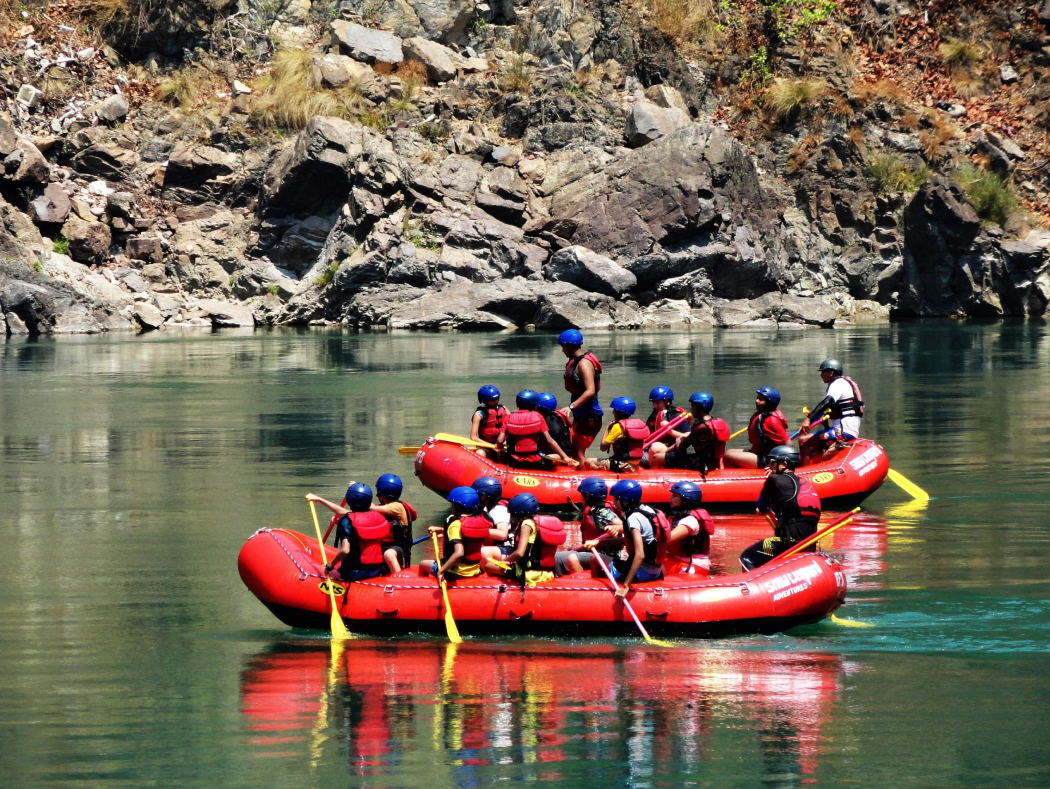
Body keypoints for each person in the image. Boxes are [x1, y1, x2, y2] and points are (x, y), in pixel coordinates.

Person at [739, 445, 821, 571]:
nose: (769, 466)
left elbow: (761, 506)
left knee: (747, 557)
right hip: (809, 545)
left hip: (787, 543)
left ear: (783, 464)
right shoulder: (805, 482)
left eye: (772, 462)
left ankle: (752, 586)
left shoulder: (774, 479)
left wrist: (764, 507)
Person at [585, 479, 667, 596]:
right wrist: (599, 542)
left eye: (616, 499)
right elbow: (629, 540)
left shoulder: (633, 518)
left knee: (595, 558)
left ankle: (596, 594)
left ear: (625, 501)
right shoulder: (649, 510)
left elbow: (640, 554)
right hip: (656, 570)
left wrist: (626, 586)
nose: (614, 503)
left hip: (642, 573)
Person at [308, 483, 401, 580]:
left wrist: (330, 566)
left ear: (349, 500)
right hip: (376, 570)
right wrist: (319, 499)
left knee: (339, 567)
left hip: (354, 573)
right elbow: (343, 512)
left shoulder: (347, 521)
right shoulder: (377, 516)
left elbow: (345, 550)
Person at [483, 493, 567, 586]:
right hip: (545, 573)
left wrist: (503, 562)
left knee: (488, 566)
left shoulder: (526, 524)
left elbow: (519, 553)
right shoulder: (537, 523)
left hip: (526, 574)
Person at [799, 358, 864, 465]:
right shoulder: (845, 383)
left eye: (823, 372)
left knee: (803, 441)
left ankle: (801, 474)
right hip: (849, 431)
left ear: (831, 373)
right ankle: (813, 464)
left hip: (843, 432)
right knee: (812, 445)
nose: (821, 375)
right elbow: (831, 409)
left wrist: (808, 419)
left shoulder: (837, 383)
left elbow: (827, 402)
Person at [554, 477, 623, 575]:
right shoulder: (594, 510)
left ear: (586, 496)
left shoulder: (603, 512)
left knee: (557, 558)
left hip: (601, 555)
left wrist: (616, 528)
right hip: (593, 552)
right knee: (568, 553)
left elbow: (625, 526)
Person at [557, 329, 604, 468]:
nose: (563, 351)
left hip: (590, 416)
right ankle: (580, 474)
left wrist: (570, 407)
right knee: (574, 450)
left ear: (570, 346)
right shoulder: (577, 362)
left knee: (577, 452)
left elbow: (590, 391)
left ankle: (583, 479)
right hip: (583, 415)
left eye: (563, 347)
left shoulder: (584, 364)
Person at [650, 392, 730, 472]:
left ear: (699, 408)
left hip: (701, 463)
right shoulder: (716, 422)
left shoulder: (700, 427)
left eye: (692, 407)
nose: (691, 410)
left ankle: (653, 481)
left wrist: (675, 443)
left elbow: (683, 445)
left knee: (657, 457)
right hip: (713, 462)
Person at [427, 486, 490, 582]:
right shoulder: (479, 522)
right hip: (475, 570)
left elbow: (459, 553)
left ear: (457, 506)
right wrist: (442, 530)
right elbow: (465, 536)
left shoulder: (455, 525)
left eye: (453, 504)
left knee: (424, 564)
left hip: (456, 572)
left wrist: (441, 571)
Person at [497, 389, 573, 468]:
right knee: (557, 456)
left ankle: (500, 468)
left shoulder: (508, 417)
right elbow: (550, 441)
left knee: (500, 452)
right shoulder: (538, 417)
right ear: (534, 405)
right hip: (535, 462)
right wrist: (565, 457)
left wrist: (500, 447)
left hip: (513, 461)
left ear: (517, 403)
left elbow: (499, 440)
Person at [724, 387, 790, 469]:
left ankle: (735, 478)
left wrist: (776, 465)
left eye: (761, 399)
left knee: (728, 456)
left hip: (769, 459)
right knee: (728, 452)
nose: (756, 401)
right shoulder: (761, 415)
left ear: (769, 403)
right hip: (759, 452)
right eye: (757, 398)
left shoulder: (772, 420)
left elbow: (788, 445)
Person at [664, 481, 715, 575]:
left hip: (692, 565)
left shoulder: (690, 520)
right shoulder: (677, 516)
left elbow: (667, 539)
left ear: (686, 500)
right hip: (679, 559)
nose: (670, 497)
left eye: (675, 495)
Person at [370, 473, 417, 567]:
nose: (377, 495)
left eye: (378, 492)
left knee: (389, 554)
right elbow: (363, 513)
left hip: (398, 553)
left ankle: (398, 578)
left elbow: (371, 508)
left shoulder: (396, 507)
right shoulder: (386, 507)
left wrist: (357, 492)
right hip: (388, 548)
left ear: (383, 494)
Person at [595, 396, 649, 472]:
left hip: (622, 465)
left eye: (615, 410)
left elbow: (603, 447)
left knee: (588, 462)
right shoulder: (636, 424)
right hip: (635, 465)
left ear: (619, 413)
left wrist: (607, 428)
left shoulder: (618, 427)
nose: (613, 412)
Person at [473, 476, 513, 569]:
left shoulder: (499, 510)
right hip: (497, 548)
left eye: (476, 495)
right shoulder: (486, 510)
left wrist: (477, 531)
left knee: (482, 552)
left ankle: (497, 571)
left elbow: (502, 534)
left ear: (483, 497)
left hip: (509, 550)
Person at [470, 385, 507, 458]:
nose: (496, 401)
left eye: (497, 399)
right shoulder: (479, 414)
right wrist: (492, 446)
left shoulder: (504, 409)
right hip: (486, 446)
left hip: (502, 445)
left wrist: (506, 442)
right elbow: (473, 437)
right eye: (492, 400)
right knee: (480, 453)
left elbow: (512, 427)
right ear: (485, 401)